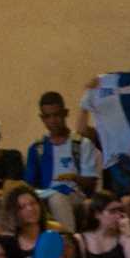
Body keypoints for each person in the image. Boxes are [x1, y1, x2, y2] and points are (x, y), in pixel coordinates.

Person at [24, 91, 101, 231]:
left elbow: (91, 184)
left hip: (74, 196)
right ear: (42, 118)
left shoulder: (81, 144)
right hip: (45, 196)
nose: (53, 120)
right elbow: (29, 184)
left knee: (57, 198)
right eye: (48, 116)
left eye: (57, 115)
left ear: (65, 113)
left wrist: (74, 178)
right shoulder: (37, 148)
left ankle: (69, 241)